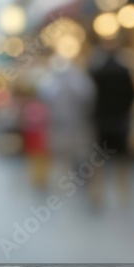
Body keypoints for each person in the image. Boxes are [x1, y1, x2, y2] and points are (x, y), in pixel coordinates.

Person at [88, 38, 134, 208]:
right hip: (120, 122)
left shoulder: (96, 72)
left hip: (101, 122)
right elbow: (132, 95)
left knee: (98, 159)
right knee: (122, 159)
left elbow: (90, 97)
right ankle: (124, 193)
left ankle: (97, 193)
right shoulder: (124, 71)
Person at [38, 53, 96, 190]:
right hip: (59, 123)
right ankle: (61, 176)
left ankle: (78, 174)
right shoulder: (53, 81)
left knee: (79, 151)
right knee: (60, 151)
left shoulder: (77, 80)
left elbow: (87, 96)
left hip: (76, 122)